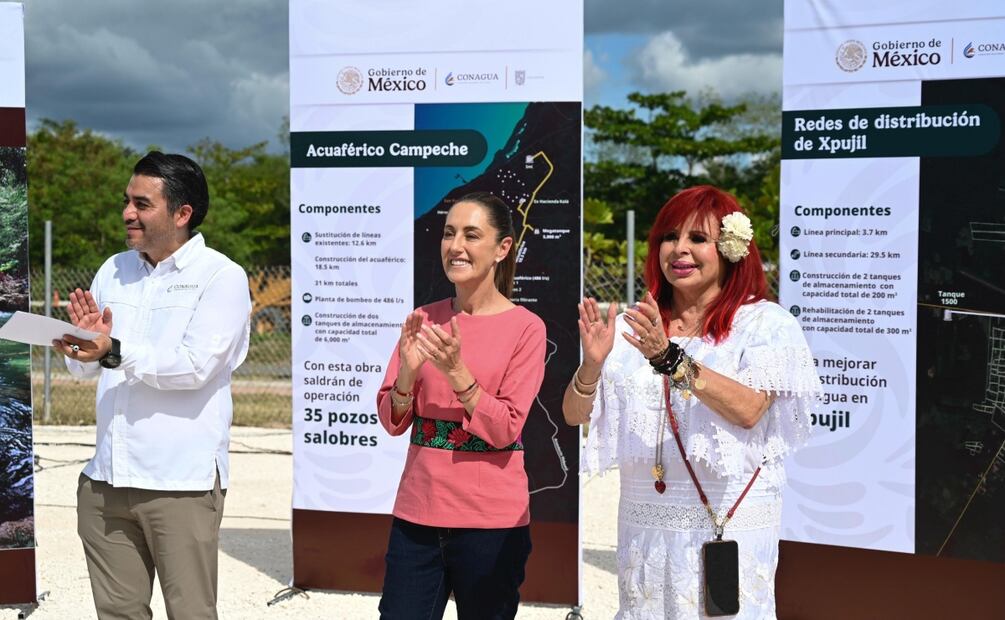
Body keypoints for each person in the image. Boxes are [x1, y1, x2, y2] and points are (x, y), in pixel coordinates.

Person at [563, 185, 821, 619]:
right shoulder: (634, 325)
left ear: (730, 249)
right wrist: (591, 366)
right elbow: (574, 414)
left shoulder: (764, 323)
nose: (679, 250)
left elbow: (749, 409)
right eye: (669, 237)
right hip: (645, 522)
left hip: (725, 522)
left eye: (697, 239)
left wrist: (669, 358)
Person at [53, 152, 251, 620]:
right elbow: (89, 370)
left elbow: (195, 366)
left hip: (178, 484)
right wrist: (79, 349)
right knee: (118, 614)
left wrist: (112, 350)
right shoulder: (114, 269)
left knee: (191, 614)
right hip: (105, 482)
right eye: (127, 201)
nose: (127, 213)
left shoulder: (221, 277)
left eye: (141, 204)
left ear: (182, 214)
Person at [375, 192, 547, 620]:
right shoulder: (424, 318)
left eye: (472, 235)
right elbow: (392, 421)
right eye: (449, 234)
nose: (456, 246)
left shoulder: (527, 328)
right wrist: (409, 376)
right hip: (418, 510)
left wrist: (458, 375)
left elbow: (507, 427)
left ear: (502, 248)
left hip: (490, 520)